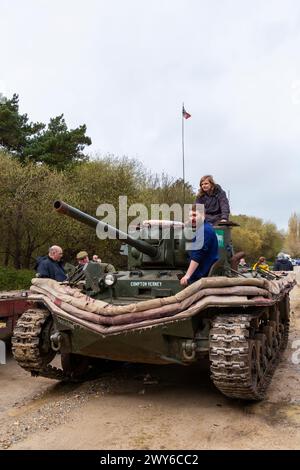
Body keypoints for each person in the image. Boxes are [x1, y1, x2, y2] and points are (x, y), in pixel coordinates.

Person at [180, 208, 219, 286]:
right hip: (202, 272)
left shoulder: (204, 231)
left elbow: (197, 255)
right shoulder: (204, 228)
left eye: (195, 215)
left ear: (203, 215)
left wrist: (187, 276)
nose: (192, 218)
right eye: (190, 216)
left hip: (200, 276)